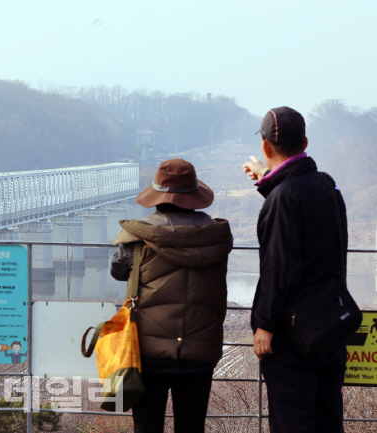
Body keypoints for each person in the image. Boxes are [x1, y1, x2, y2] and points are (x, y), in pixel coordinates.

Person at [242, 106, 348, 433]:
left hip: (292, 334)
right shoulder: (326, 185)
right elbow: (302, 212)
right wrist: (270, 182)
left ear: (265, 147)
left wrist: (265, 325)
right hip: (330, 324)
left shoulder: (283, 198)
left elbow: (279, 269)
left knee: (293, 421)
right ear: (304, 142)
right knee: (327, 418)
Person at [110, 158, 232, 433]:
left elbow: (118, 271)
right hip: (200, 350)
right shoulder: (218, 236)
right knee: (192, 427)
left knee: (146, 427)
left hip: (148, 351)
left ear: (157, 195)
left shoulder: (138, 236)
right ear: (194, 196)